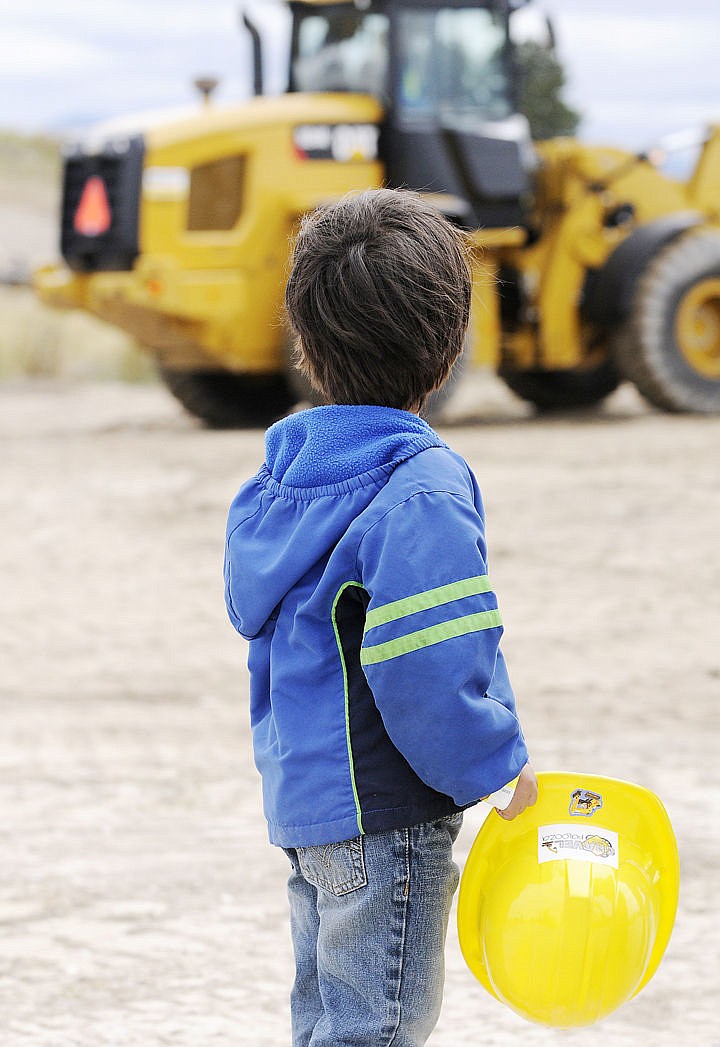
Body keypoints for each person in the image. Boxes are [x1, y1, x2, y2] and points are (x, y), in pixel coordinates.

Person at [224, 188, 537, 1047]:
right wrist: (496, 761)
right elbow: (427, 662)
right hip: (386, 813)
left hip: (308, 805)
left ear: (305, 338)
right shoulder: (419, 492)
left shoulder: (282, 478)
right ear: (449, 343)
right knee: (379, 1028)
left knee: (328, 1016)